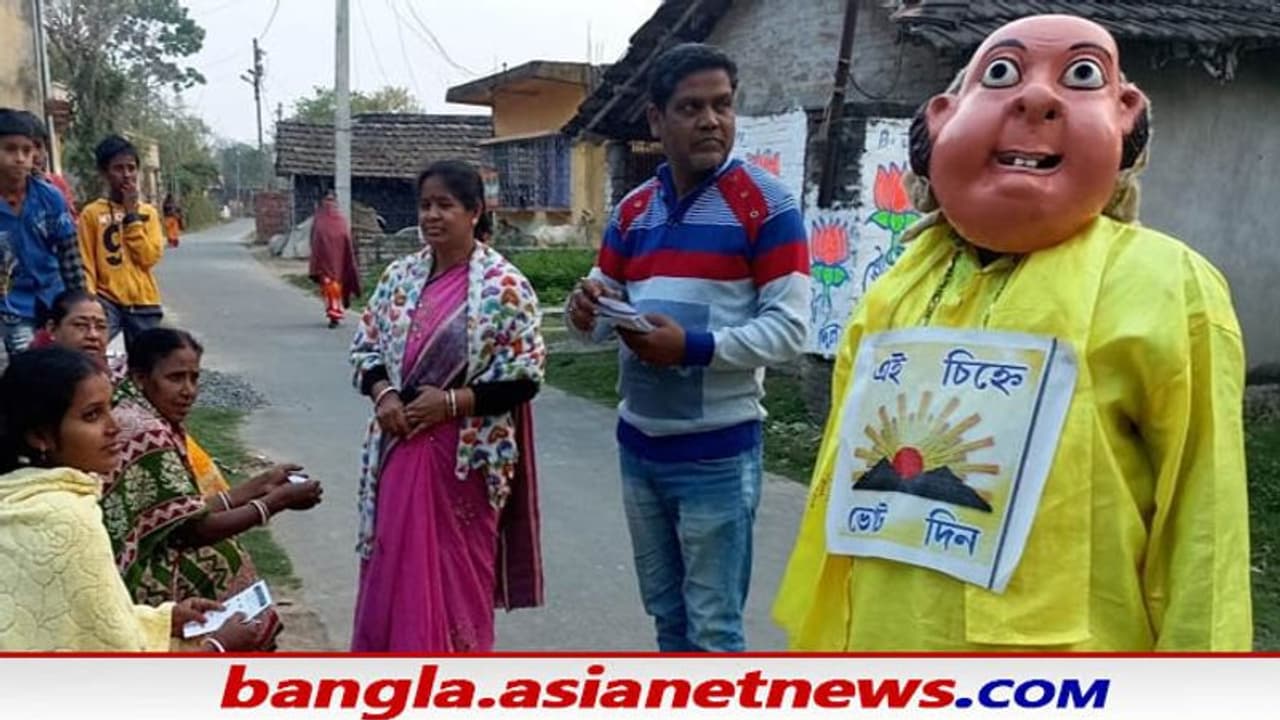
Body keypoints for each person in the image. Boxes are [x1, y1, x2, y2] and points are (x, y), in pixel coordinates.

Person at [774, 14, 1251, 651]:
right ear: (941, 118)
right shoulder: (901, 283)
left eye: (1082, 77)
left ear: (1126, 119)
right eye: (1001, 75)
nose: (1036, 98)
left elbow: (1206, 526)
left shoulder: (1169, 285)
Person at [565, 43, 810, 652]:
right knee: (668, 621)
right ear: (656, 119)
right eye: (691, 107)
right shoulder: (632, 211)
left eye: (723, 106)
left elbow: (790, 331)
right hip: (639, 449)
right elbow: (601, 315)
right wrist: (584, 313)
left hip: (718, 457)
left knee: (713, 630)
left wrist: (692, 348)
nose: (711, 121)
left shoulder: (768, 207)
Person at [349, 160, 546, 652]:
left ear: (475, 212)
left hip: (468, 461)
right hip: (400, 446)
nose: (433, 216)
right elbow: (365, 347)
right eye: (425, 205)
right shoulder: (398, 278)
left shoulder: (505, 287)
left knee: (459, 577)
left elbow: (525, 377)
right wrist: (384, 394)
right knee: (396, 561)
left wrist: (453, 403)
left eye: (446, 205)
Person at [0, 347, 273, 651]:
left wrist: (163, 619)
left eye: (109, 408)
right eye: (92, 416)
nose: (114, 427)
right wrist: (217, 647)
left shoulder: (18, 491)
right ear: (41, 436)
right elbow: (119, 667)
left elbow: (88, 617)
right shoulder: (67, 517)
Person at [104, 328, 323, 630]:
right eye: (175, 378)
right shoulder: (143, 428)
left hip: (122, 559)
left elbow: (179, 513)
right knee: (221, 561)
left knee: (227, 554)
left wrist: (261, 485)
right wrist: (276, 501)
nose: (188, 390)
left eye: (194, 378)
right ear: (141, 378)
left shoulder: (138, 410)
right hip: (123, 575)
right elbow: (193, 531)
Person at [37, 289, 230, 496]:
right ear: (52, 328)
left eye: (101, 326)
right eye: (80, 325)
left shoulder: (118, 379)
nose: (93, 335)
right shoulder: (33, 380)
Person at [0, 108, 85, 355]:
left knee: (61, 366)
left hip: (52, 298)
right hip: (10, 306)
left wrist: (79, 303)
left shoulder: (50, 197)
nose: (20, 158)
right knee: (25, 366)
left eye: (27, 151)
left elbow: (70, 257)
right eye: (10, 149)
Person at [77, 134, 166, 344]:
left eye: (131, 168)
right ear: (104, 173)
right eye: (118, 168)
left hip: (144, 301)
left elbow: (148, 258)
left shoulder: (148, 213)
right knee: (102, 356)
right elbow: (86, 262)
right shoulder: (92, 214)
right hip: (107, 300)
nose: (127, 175)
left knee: (147, 363)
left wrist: (132, 216)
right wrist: (90, 300)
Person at [309, 190, 361, 328]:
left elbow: (346, 241)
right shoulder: (323, 220)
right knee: (331, 288)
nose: (329, 203)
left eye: (332, 200)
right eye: (327, 200)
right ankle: (334, 314)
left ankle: (335, 313)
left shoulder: (337, 220)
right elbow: (315, 240)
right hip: (328, 263)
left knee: (333, 287)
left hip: (335, 262)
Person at [22, 111, 77, 220]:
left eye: (38, 146)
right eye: (26, 148)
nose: (34, 154)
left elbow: (71, 224)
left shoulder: (56, 184)